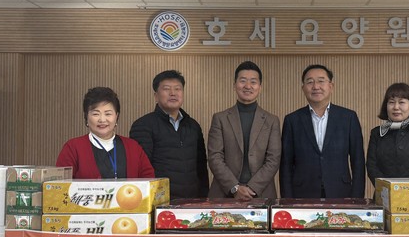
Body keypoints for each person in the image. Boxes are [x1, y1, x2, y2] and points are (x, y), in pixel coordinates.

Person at [280, 64, 365, 198]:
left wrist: (357, 198)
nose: (316, 86)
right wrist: (287, 200)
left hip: (340, 192)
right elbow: (286, 165)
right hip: (302, 193)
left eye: (321, 81)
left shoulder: (348, 117)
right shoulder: (292, 120)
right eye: (310, 82)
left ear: (331, 86)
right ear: (303, 88)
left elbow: (358, 161)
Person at [207, 61, 281, 200]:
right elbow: (215, 156)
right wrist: (234, 188)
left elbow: (273, 159)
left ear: (260, 87)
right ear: (234, 85)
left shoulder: (272, 120)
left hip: (261, 194)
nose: (247, 86)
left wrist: (253, 188)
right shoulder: (220, 118)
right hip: (225, 194)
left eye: (253, 82)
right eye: (242, 81)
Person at [130, 70, 209, 199]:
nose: (173, 93)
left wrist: (203, 198)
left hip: (192, 201)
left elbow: (201, 168)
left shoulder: (193, 126)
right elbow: (141, 169)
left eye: (178, 89)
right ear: (156, 96)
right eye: (166, 89)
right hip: (159, 200)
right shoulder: (143, 125)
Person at [56, 86, 154, 179]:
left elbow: (149, 180)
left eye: (108, 114)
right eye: (96, 114)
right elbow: (61, 185)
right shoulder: (73, 148)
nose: (102, 119)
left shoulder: (133, 147)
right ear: (86, 117)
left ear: (116, 116)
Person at [366, 83, 409, 184]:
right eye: (391, 102)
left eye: (401, 102)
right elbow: (372, 166)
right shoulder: (377, 133)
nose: (396, 107)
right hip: (385, 191)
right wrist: (387, 187)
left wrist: (405, 188)